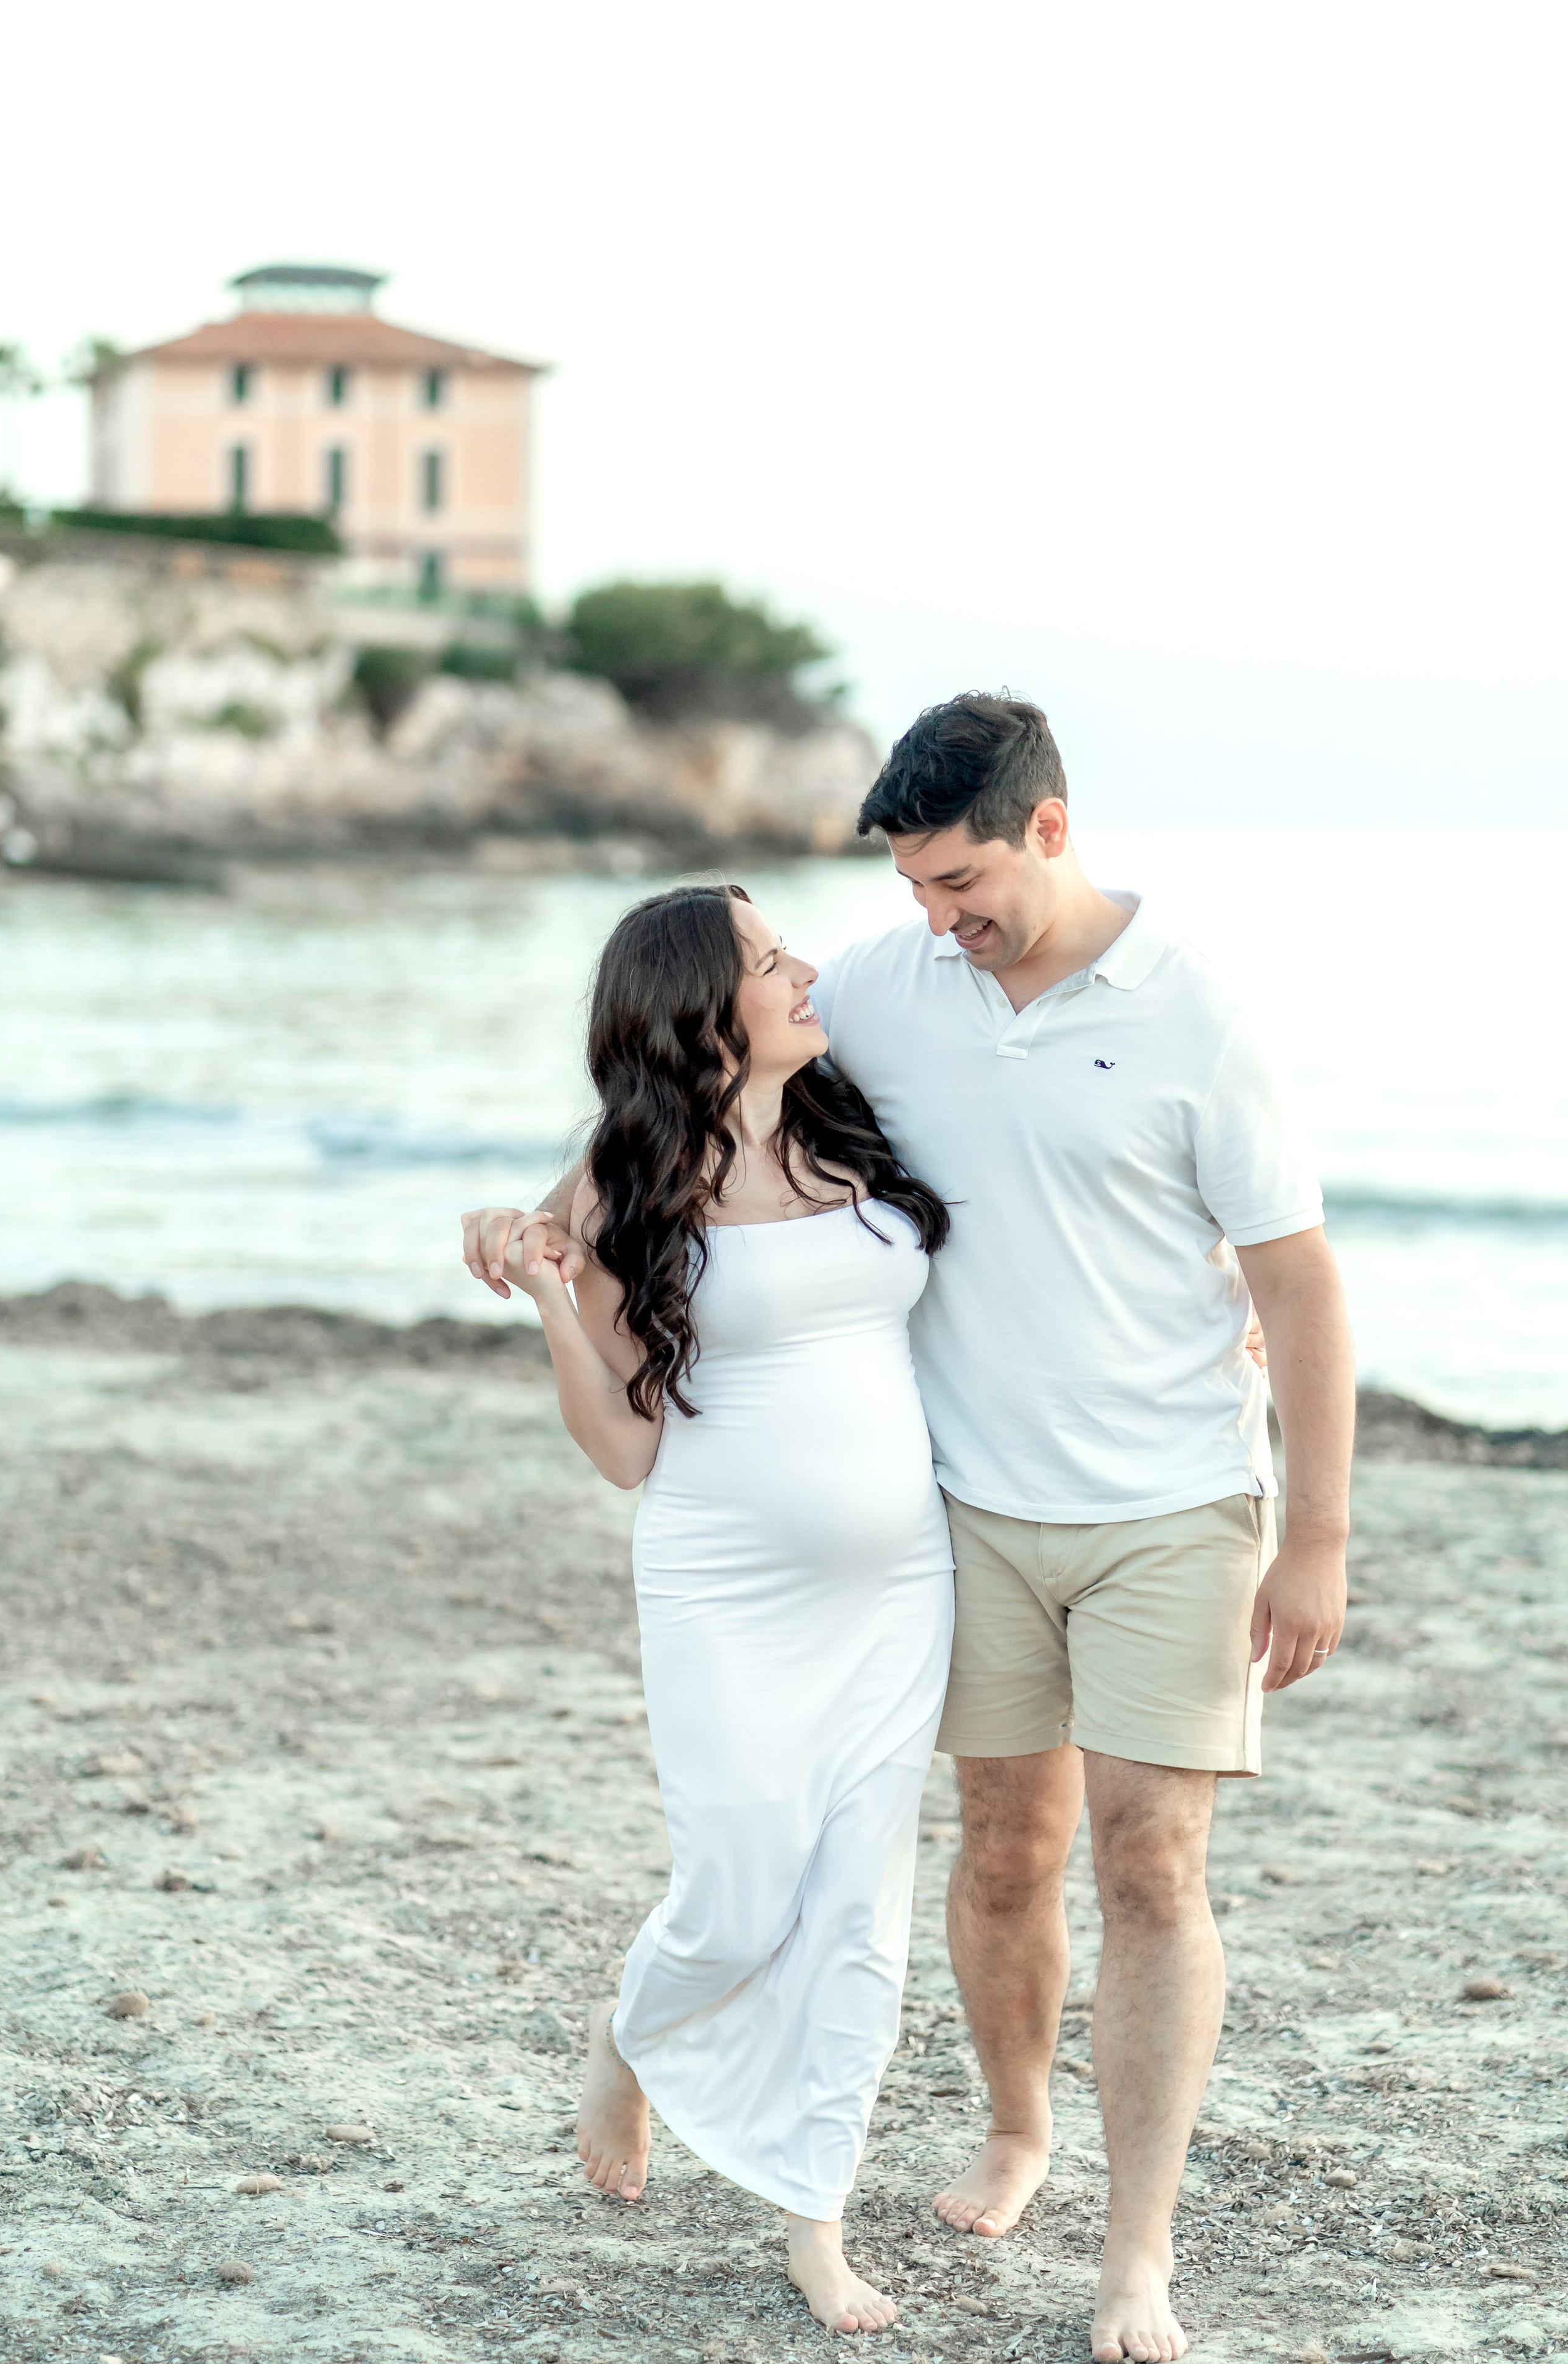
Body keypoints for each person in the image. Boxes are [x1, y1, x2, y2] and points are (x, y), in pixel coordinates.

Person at [465, 694, 1356, 2364]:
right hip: (956, 1524)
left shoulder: (1196, 1020)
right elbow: (667, 1105)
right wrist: (541, 1229)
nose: (930, 923)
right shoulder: (888, 983)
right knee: (982, 1857)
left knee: (1128, 1867)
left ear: (1051, 830)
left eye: (960, 883)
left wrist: (1317, 1530)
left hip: (1132, 1512)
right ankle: (987, 2125)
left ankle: (1121, 2258)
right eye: (913, 891)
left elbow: (1294, 1273)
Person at [480, 880, 955, 2336]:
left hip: (897, 1588)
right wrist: (554, 1296)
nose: (806, 971)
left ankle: (815, 2219)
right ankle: (629, 2040)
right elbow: (628, 1447)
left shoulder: (856, 1120)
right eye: (767, 961)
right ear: (703, 1011)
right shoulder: (626, 1185)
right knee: (737, 1887)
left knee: (857, 1917)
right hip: (720, 1587)